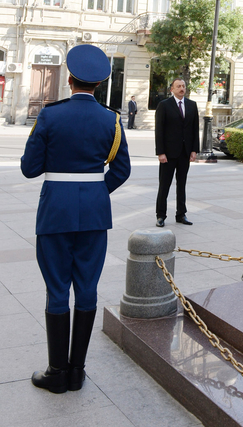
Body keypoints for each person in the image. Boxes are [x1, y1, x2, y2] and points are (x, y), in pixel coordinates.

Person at [20, 44, 131, 394]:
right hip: (95, 214)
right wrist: (95, 190)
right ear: (98, 85)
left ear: (69, 80)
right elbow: (121, 170)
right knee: (87, 288)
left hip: (55, 211)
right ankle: (77, 371)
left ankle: (57, 372)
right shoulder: (110, 119)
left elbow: (29, 168)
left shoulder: (51, 116)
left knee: (57, 289)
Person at [155, 78, 200, 227]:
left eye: (183, 86)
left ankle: (181, 214)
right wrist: (160, 152)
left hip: (185, 153)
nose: (181, 88)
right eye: (178, 86)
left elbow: (194, 129)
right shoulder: (164, 105)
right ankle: (161, 215)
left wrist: (194, 150)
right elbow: (159, 131)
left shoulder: (192, 105)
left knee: (182, 185)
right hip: (168, 153)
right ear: (172, 89)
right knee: (164, 185)